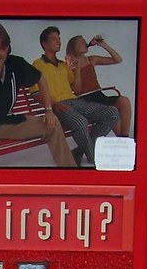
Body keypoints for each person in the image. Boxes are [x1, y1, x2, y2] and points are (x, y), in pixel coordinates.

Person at [0, 21, 75, 169]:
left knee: (53, 126)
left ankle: (71, 176)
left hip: (8, 121)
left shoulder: (16, 63)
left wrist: (49, 110)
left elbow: (41, 78)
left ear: (7, 47)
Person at [32, 26, 119, 167]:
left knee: (112, 113)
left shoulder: (63, 65)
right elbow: (36, 93)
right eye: (54, 39)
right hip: (59, 106)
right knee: (80, 122)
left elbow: (77, 90)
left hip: (76, 102)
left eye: (59, 38)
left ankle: (79, 151)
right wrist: (54, 105)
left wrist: (77, 70)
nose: (59, 41)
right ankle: (93, 159)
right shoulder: (37, 64)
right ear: (44, 44)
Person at [65, 34, 133, 137]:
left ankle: (125, 137)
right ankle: (123, 139)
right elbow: (77, 91)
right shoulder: (69, 65)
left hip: (99, 95)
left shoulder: (91, 59)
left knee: (124, 101)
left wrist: (103, 45)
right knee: (112, 110)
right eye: (81, 42)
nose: (85, 43)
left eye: (85, 41)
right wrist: (77, 70)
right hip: (86, 100)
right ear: (74, 47)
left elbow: (118, 59)